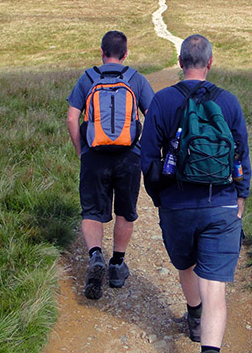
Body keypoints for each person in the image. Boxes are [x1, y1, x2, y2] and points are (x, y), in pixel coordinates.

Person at [140, 34, 251, 352]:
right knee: (214, 287)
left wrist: (160, 198)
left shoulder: (162, 101)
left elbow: (148, 158)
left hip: (177, 205)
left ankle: (194, 316)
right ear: (210, 63)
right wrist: (240, 196)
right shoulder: (228, 101)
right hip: (222, 204)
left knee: (186, 265)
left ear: (180, 63)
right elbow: (241, 154)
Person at [67, 30, 155, 300]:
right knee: (125, 212)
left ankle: (95, 257)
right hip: (129, 156)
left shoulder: (88, 77)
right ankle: (117, 265)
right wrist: (143, 151)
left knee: (92, 211)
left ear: (101, 52)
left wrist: (82, 152)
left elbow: (72, 119)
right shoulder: (135, 78)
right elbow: (151, 116)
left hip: (95, 154)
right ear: (125, 54)